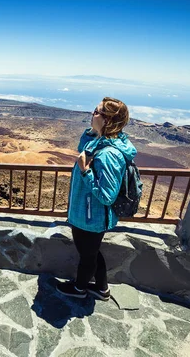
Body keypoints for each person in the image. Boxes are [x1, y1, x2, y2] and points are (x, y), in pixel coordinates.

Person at [56, 97, 137, 301]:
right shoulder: (102, 142)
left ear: (107, 120)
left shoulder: (109, 154)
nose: (92, 113)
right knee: (92, 252)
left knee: (88, 256)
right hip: (88, 215)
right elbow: (84, 149)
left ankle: (79, 289)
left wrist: (85, 172)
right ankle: (102, 289)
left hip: (91, 217)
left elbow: (107, 196)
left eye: (97, 112)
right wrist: (94, 132)